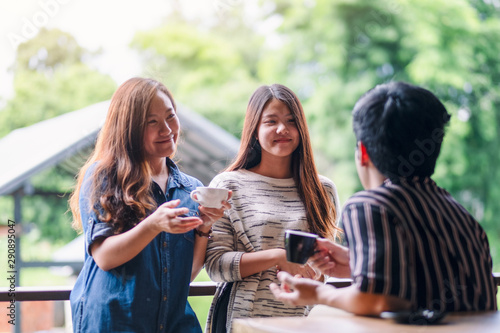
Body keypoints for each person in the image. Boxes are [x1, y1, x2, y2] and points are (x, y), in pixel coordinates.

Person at [271, 81, 498, 315]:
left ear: (363, 152)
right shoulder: (459, 213)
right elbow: (435, 283)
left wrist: (318, 294)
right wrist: (356, 263)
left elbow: (379, 300)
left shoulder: (369, 206)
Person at [68, 77, 231, 332]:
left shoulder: (190, 189)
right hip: (113, 322)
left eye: (170, 116)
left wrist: (205, 226)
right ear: (129, 128)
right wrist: (153, 224)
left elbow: (183, 276)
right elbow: (104, 257)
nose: (166, 129)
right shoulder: (104, 177)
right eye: (151, 122)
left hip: (172, 322)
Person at [204, 83, 341, 332]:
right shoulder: (228, 185)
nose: (282, 129)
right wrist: (280, 256)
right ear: (254, 129)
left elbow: (323, 271)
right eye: (271, 121)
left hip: (300, 322)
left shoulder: (323, 190)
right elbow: (215, 266)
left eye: (291, 121)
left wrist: (314, 272)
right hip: (241, 321)